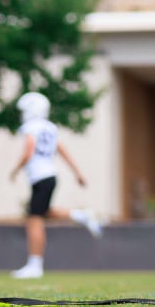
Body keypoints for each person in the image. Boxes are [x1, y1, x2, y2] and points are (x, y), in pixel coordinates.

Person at [8, 91, 102, 279]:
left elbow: (28, 151)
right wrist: (78, 173)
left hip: (40, 177)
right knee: (44, 213)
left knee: (34, 219)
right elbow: (62, 150)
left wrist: (15, 170)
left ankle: (35, 265)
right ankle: (81, 215)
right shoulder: (50, 127)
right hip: (50, 176)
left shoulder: (31, 127)